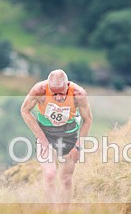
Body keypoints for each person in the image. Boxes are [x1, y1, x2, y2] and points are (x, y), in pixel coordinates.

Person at [20, 69, 93, 204]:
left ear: (67, 85)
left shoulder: (78, 94)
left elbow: (87, 120)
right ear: (48, 87)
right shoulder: (39, 90)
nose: (59, 97)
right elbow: (24, 110)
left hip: (69, 135)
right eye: (54, 94)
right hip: (45, 134)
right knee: (50, 175)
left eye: (62, 93)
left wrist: (78, 147)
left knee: (65, 179)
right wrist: (42, 139)